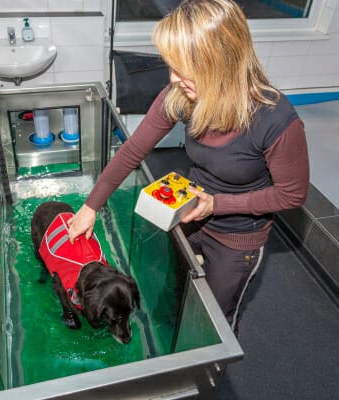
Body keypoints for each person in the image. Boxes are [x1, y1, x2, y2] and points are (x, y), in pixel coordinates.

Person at [68, 0, 309, 331]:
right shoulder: (182, 93)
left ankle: (209, 373)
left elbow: (292, 195)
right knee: (176, 285)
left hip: (238, 237)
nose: (174, 78)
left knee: (216, 317)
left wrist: (218, 204)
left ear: (222, 63)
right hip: (190, 213)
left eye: (184, 68)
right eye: (171, 66)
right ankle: (172, 338)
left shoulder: (276, 119)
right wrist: (91, 206)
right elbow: (134, 148)